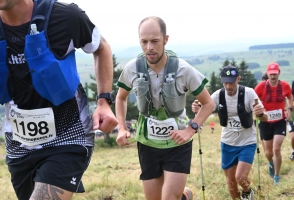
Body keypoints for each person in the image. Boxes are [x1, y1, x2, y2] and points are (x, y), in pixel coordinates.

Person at [0, 0, 118, 199]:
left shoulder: (65, 16)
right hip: (19, 144)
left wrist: (104, 101)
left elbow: (101, 47)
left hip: (68, 134)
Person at [115, 16, 214, 200]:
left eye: (155, 41)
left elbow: (209, 103)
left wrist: (191, 129)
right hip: (147, 143)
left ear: (166, 40)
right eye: (144, 41)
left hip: (178, 143)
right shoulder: (132, 69)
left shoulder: (184, 70)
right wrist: (121, 127)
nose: (149, 47)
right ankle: (184, 196)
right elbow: (121, 98)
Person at [192, 65, 266, 200]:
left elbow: (265, 117)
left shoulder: (249, 93)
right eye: (225, 82)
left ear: (238, 79)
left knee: (240, 177)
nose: (228, 86)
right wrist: (197, 110)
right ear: (221, 80)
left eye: (231, 82)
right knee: (231, 183)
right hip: (227, 143)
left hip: (247, 142)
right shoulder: (217, 95)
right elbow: (204, 111)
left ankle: (248, 191)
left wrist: (260, 114)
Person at [254, 62, 293, 185]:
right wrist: (259, 110)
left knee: (277, 148)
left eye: (275, 74)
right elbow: (252, 99)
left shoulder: (285, 86)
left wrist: (288, 109)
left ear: (279, 73)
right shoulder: (260, 87)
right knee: (268, 152)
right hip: (265, 122)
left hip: (280, 121)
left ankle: (277, 176)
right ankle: (270, 162)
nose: (273, 76)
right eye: (271, 74)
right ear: (267, 74)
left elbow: (290, 97)